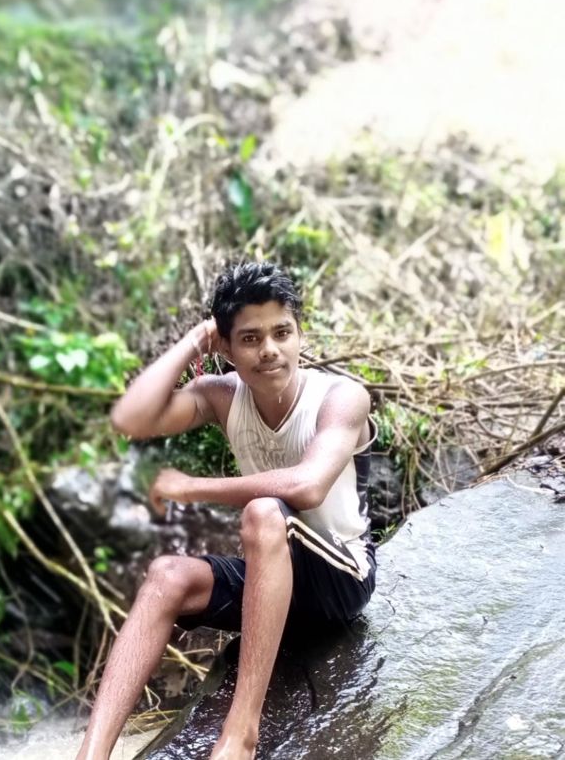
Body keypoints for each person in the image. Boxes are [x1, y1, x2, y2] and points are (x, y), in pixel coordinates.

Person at [75, 261, 376, 760]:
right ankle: (91, 754)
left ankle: (240, 737)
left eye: (282, 333)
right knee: (167, 575)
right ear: (228, 349)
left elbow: (308, 486)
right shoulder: (223, 396)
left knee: (264, 513)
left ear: (300, 334)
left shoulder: (341, 397)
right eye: (250, 339)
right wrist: (195, 340)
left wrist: (192, 488)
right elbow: (130, 418)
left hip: (341, 578)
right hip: (274, 584)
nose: (269, 349)